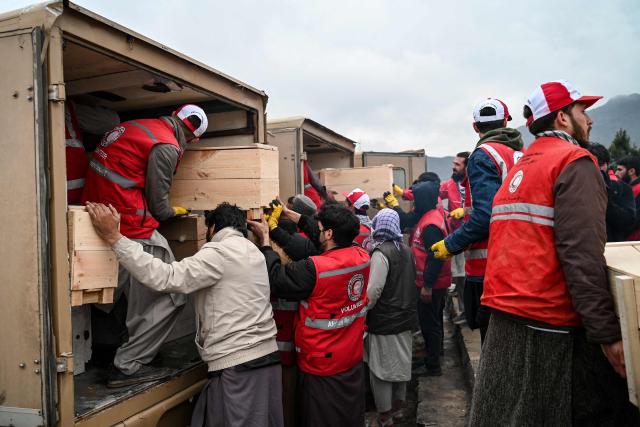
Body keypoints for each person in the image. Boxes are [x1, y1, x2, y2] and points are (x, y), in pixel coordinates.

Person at [470, 80, 639, 425]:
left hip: (505, 319)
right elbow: (581, 255)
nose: (589, 120)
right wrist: (607, 334)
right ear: (562, 118)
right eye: (583, 111)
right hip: (549, 327)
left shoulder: (520, 165)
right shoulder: (574, 162)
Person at [86, 202, 283, 427]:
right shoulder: (253, 252)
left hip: (237, 366)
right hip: (266, 360)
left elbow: (166, 277)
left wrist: (114, 237)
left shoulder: (218, 252)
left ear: (213, 227)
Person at [82, 104, 208, 387]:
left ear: (176, 114)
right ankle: (128, 365)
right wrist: (177, 211)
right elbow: (159, 206)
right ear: (195, 138)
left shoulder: (137, 125)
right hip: (128, 223)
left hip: (94, 215)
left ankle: (104, 352)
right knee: (173, 295)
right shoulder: (168, 146)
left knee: (112, 290)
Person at [248, 204, 370, 427]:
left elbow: (277, 279)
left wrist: (266, 240)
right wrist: (286, 215)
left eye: (321, 228)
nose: (317, 231)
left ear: (330, 234)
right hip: (351, 357)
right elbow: (319, 235)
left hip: (321, 365)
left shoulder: (315, 269)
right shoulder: (362, 256)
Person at [431, 98, 524, 343]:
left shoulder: (482, 155)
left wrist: (451, 244)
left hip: (487, 268)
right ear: (506, 122)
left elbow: (486, 215)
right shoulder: (519, 155)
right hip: (518, 261)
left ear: (475, 127)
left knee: (491, 340)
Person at [365, 209, 416, 427]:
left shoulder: (380, 253)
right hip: (405, 318)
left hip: (384, 321)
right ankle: (398, 408)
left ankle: (384, 416)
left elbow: (373, 292)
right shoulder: (406, 249)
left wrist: (362, 311)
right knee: (400, 366)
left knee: (381, 371)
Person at [439, 151, 470, 323]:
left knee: (468, 277)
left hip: (476, 239)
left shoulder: (475, 183)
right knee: (460, 276)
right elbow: (432, 194)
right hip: (458, 237)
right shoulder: (450, 184)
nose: (453, 167)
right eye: (453, 163)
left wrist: (465, 211)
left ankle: (469, 312)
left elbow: (486, 208)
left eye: (457, 165)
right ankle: (465, 311)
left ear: (466, 167)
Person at [588, 144, 636, 241]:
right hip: (584, 247)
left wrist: (606, 201)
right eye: (592, 164)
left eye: (600, 164)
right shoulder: (576, 186)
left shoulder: (622, 189)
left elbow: (629, 223)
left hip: (613, 247)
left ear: (607, 164)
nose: (596, 169)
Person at [616, 156, 640, 240]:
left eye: (619, 170)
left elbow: (633, 222)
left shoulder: (638, 190)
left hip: (633, 245)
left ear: (632, 171)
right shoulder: (628, 188)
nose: (616, 173)